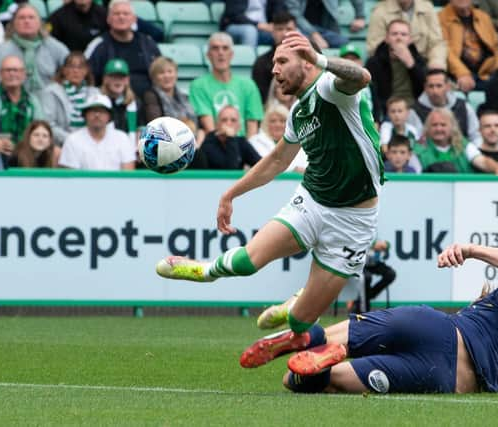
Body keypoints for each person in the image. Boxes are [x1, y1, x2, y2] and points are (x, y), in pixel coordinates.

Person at [156, 31, 383, 337]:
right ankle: (202, 271)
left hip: (354, 221)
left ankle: (295, 307)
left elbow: (362, 76)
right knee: (249, 261)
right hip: (313, 200)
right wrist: (230, 193)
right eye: (273, 62)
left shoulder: (331, 89)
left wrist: (320, 59)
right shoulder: (298, 112)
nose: (273, 70)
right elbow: (277, 160)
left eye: (282, 61)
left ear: (305, 61)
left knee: (301, 322)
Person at [240, 243, 498, 395]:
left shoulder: (497, 309)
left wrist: (471, 250)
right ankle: (313, 346)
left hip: (431, 327)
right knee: (302, 382)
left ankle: (311, 338)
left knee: (310, 363)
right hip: (439, 376)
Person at [189, 32, 263, 139]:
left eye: (225, 48)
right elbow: (210, 128)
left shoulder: (248, 85)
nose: (220, 53)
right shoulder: (198, 85)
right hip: (216, 144)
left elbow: (252, 128)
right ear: (208, 55)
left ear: (231, 54)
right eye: (215, 48)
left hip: (244, 145)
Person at [84, 0, 160, 98]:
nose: (121, 17)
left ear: (134, 19)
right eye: (116, 14)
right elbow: (87, 78)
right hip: (111, 102)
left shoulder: (148, 43)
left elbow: (160, 72)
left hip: (148, 102)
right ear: (108, 19)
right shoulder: (98, 45)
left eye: (126, 14)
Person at [0, 4, 69, 96]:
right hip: (14, 103)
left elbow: (71, 70)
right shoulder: (1, 51)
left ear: (40, 22)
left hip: (51, 100)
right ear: (14, 23)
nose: (27, 21)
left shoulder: (54, 47)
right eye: (21, 18)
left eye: (31, 17)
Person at [365, 19, 427, 121]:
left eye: (403, 34)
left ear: (410, 39)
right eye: (394, 34)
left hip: (414, 107)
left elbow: (425, 87)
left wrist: (411, 65)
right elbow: (372, 93)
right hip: (387, 110)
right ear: (387, 38)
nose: (399, 38)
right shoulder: (375, 62)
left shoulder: (419, 60)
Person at [415, 107, 498, 174]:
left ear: (452, 127)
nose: (439, 129)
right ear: (427, 128)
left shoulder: (464, 145)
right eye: (434, 125)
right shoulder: (418, 149)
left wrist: (497, 169)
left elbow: (482, 161)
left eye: (443, 125)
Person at [58, 93, 136, 170]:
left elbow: (128, 174)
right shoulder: (72, 140)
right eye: (93, 111)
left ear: (109, 116)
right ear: (85, 115)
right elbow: (70, 177)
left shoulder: (122, 138)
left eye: (101, 111)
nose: (97, 115)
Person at [438, 0, 498, 92]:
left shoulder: (483, 17)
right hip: (457, 75)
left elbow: (495, 48)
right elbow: (445, 51)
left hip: (486, 73)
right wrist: (462, 73)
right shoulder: (440, 18)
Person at [408, 69, 481, 146]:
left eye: (439, 86)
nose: (435, 91)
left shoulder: (464, 107)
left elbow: (476, 137)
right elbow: (416, 142)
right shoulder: (414, 111)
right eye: (431, 86)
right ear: (425, 88)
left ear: (448, 86)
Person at [366, 0, 447, 70]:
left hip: (423, 66)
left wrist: (436, 62)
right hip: (390, 69)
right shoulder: (380, 11)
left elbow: (437, 42)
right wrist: (397, 53)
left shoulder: (427, 8)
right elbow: (373, 48)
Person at [41, 52, 99, 146]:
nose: (76, 71)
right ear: (64, 70)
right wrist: (72, 140)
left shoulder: (95, 93)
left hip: (90, 143)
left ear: (86, 71)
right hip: (61, 145)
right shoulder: (51, 92)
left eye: (80, 67)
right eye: (71, 67)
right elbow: (48, 124)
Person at [252, 11, 297, 103]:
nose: (285, 34)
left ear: (296, 31)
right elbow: (260, 100)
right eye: (280, 29)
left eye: (289, 29)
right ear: (272, 32)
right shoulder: (261, 63)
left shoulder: (305, 60)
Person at [249, 104, 307, 173]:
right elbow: (263, 168)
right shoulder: (254, 142)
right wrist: (293, 170)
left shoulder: (301, 142)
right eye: (273, 121)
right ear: (265, 123)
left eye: (282, 121)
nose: (278, 125)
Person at [200, 105, 261, 170]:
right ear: (217, 124)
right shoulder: (209, 142)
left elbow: (260, 164)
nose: (228, 123)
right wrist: (230, 138)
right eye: (224, 120)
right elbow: (230, 168)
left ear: (239, 126)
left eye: (233, 120)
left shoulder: (241, 142)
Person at [284, 0, 365, 49]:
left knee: (344, 44)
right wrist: (314, 35)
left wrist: (360, 16)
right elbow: (295, 14)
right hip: (301, 30)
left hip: (327, 29)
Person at [346, 238, 396, 314]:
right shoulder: (362, 239)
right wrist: (372, 246)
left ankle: (368, 295)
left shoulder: (376, 237)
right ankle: (363, 312)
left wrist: (384, 245)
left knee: (390, 274)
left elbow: (387, 245)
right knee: (367, 277)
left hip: (374, 264)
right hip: (361, 265)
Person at [100, 58, 137, 145]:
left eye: (121, 77)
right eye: (113, 77)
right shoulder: (99, 102)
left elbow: (140, 128)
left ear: (127, 80)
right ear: (105, 79)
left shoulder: (135, 102)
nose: (118, 81)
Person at [219, 0, 286, 48]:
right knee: (250, 31)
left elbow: (280, 13)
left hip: (266, 29)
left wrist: (276, 26)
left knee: (289, 32)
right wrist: (258, 25)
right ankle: (248, 64)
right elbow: (234, 15)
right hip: (237, 26)